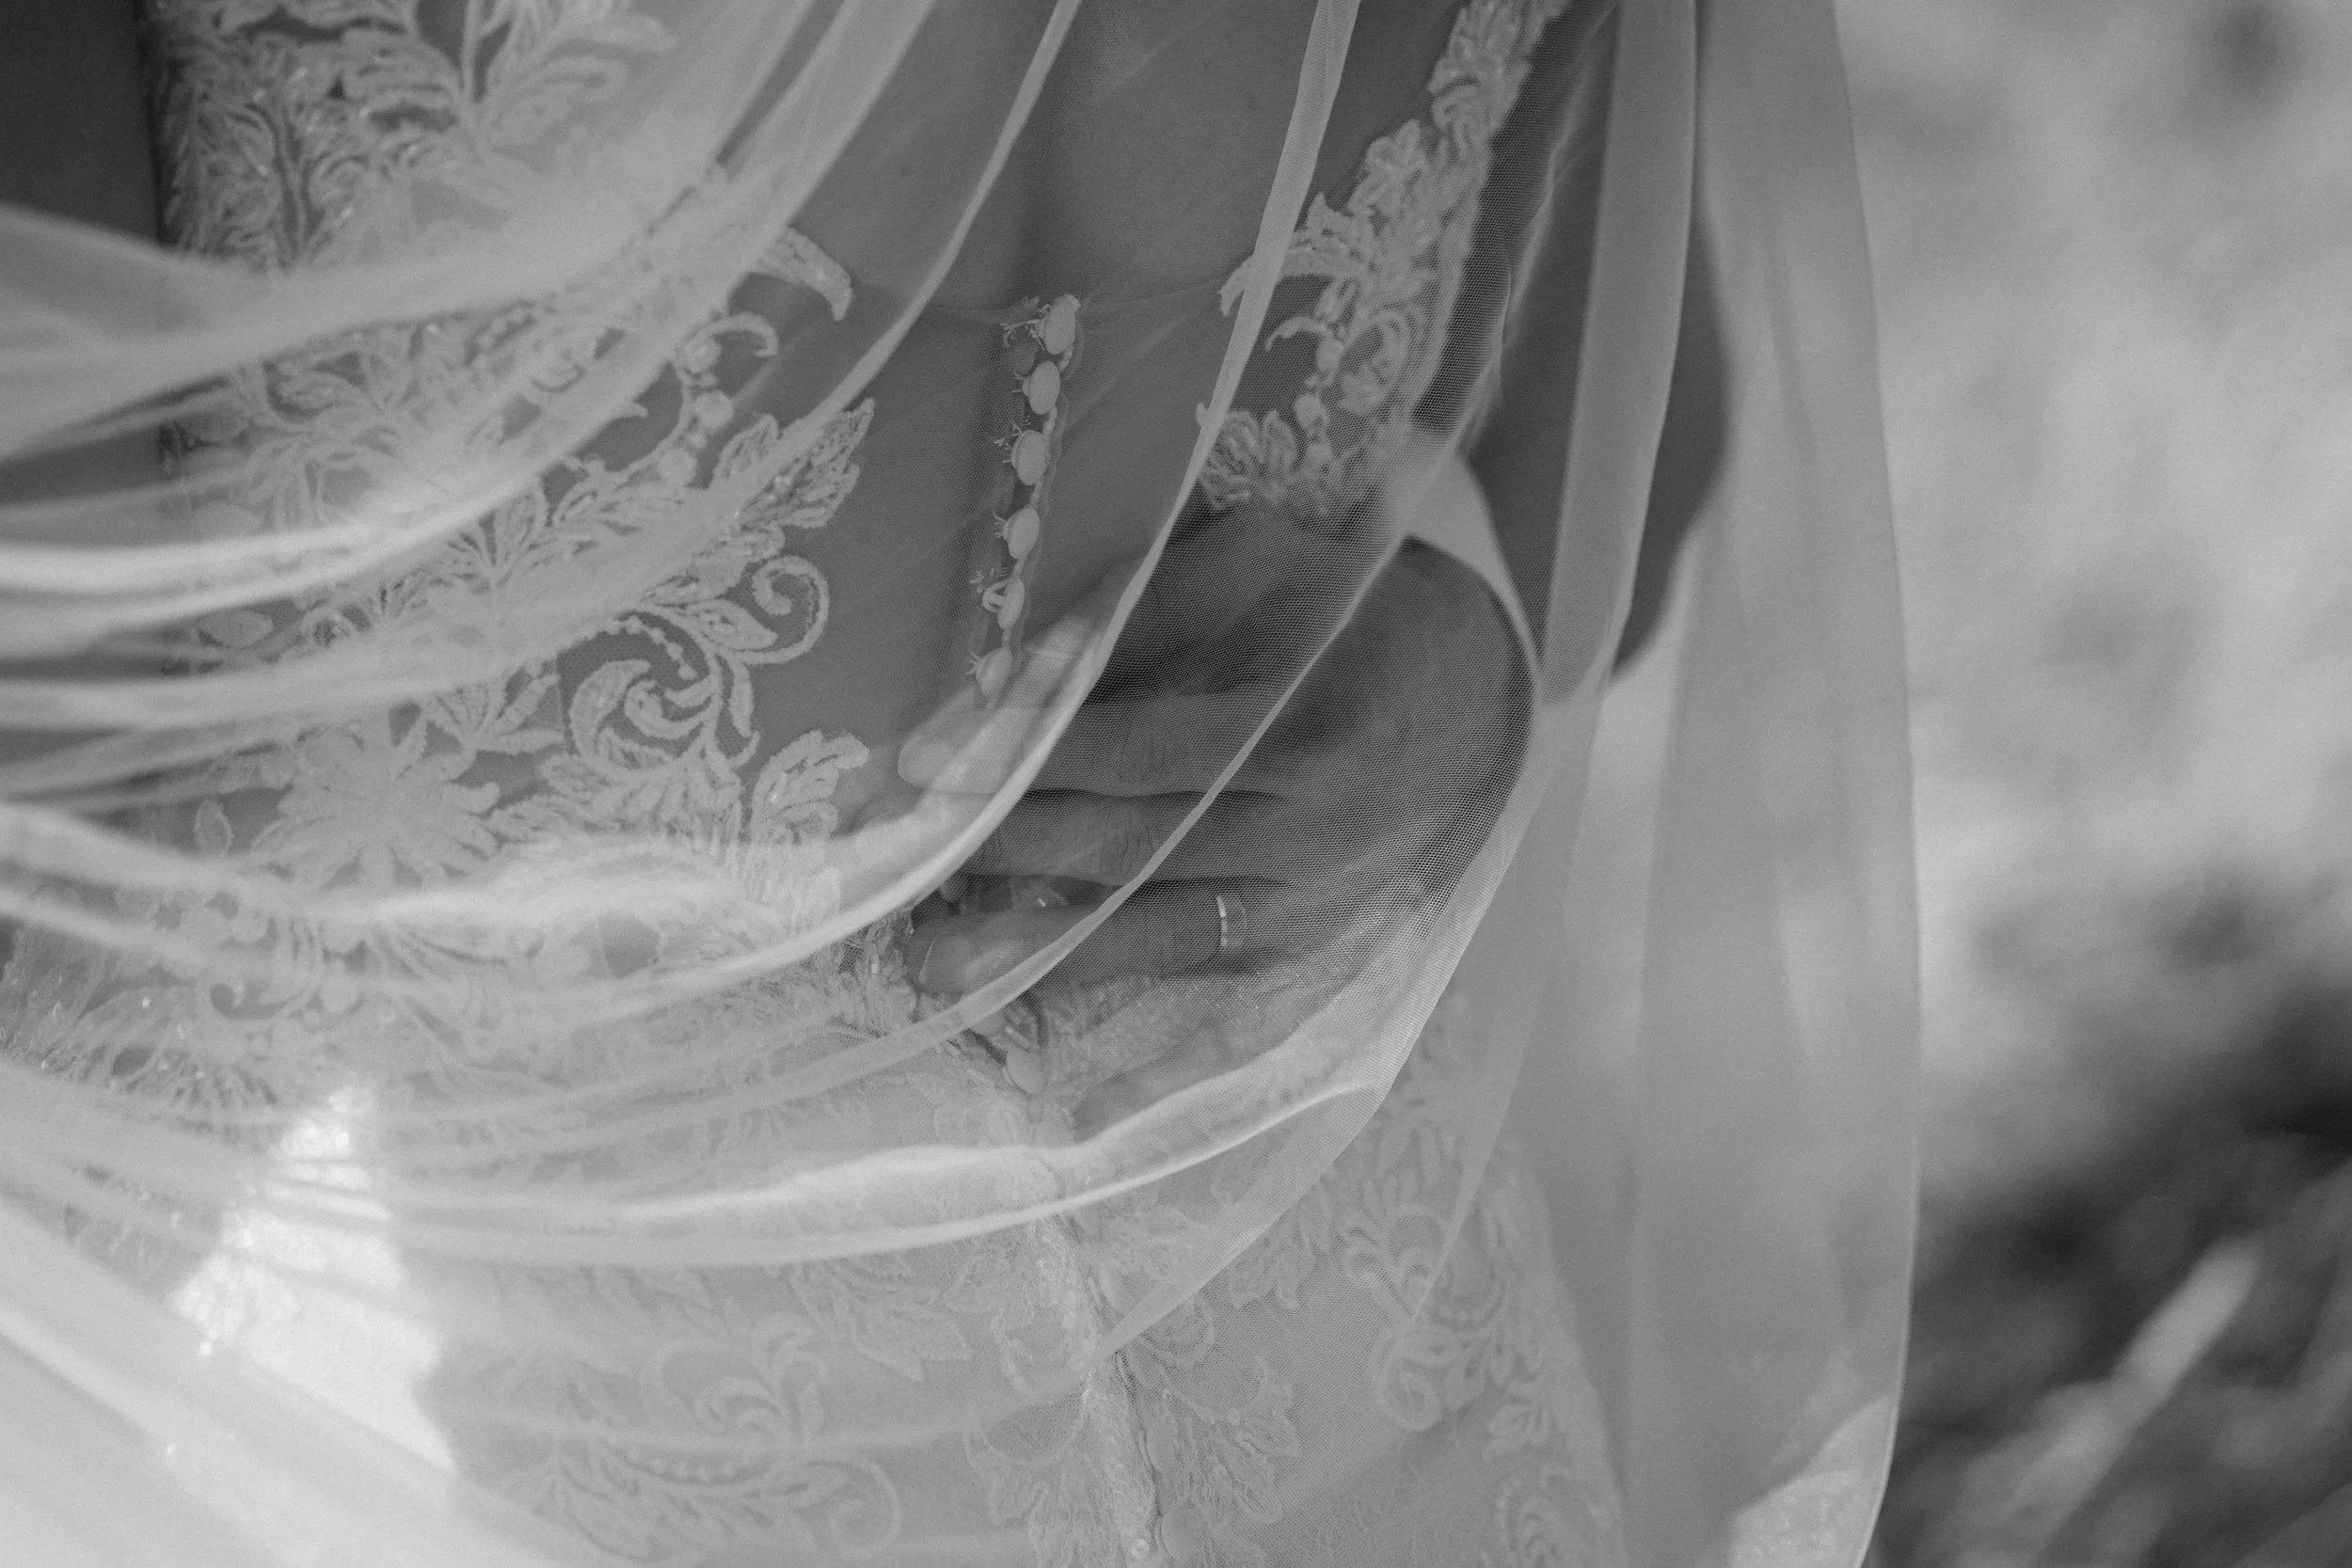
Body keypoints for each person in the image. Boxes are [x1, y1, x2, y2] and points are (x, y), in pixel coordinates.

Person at [0, 2, 1917, 1564]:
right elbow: (1621, 452)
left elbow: (70, 927)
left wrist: (1422, 708)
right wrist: (1451, 642)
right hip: (1415, 1440)